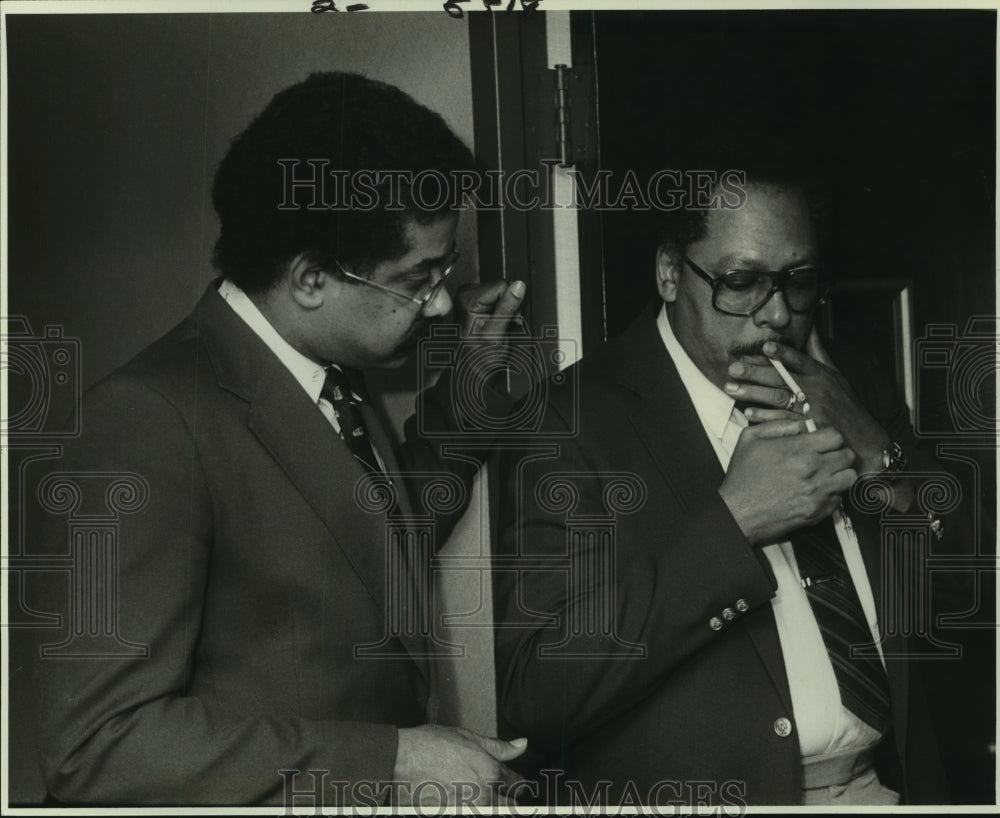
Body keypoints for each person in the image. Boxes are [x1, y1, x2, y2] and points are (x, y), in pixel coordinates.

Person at [31, 72, 528, 807]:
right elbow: (99, 750)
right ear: (310, 279)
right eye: (418, 278)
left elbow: (369, 550)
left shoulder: (328, 370)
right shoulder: (144, 422)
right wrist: (391, 759)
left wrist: (467, 394)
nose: (443, 301)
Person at [493, 161, 968, 806]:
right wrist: (733, 522)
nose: (776, 314)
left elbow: (965, 576)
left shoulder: (852, 383)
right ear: (669, 273)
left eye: (798, 281)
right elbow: (535, 692)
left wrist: (875, 450)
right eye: (741, 282)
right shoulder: (567, 421)